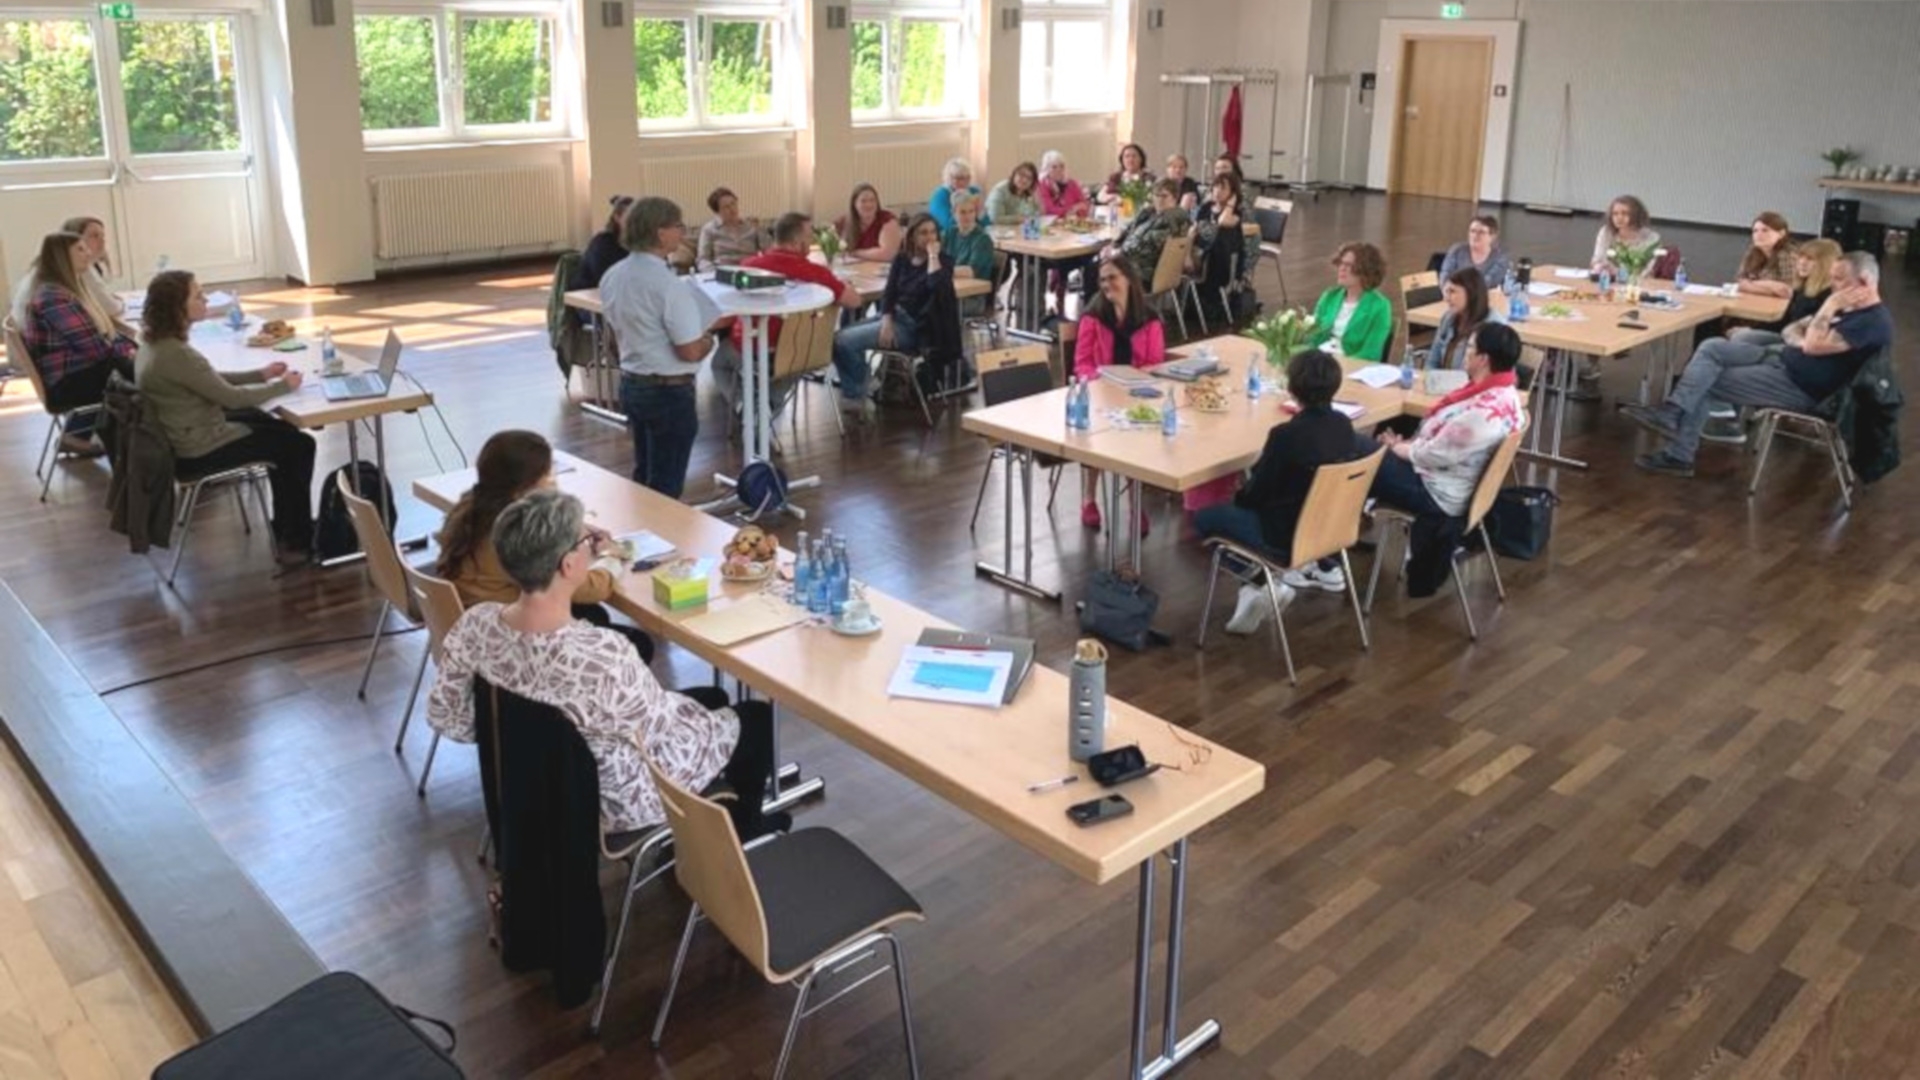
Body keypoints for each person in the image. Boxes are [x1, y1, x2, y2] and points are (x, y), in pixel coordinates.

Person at [425, 489, 784, 839]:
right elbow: (660, 731)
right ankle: (740, 835)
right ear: (569, 564)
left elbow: (448, 718)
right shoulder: (603, 654)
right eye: (585, 543)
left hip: (529, 788)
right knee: (754, 718)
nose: (591, 550)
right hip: (614, 801)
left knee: (710, 698)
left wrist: (525, 745)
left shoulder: (475, 624)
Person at [1626, 252, 1892, 479]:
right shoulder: (1852, 312)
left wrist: (1828, 309)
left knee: (1707, 382)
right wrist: (1807, 336)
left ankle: (1679, 455)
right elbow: (1795, 330)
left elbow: (1812, 345)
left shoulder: (1869, 321)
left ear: (1865, 282)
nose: (1832, 286)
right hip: (1784, 361)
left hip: (1804, 389)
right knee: (1712, 347)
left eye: (1838, 280)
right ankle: (1673, 411)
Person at [133, 270, 315, 564]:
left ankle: (288, 527)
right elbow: (230, 397)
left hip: (186, 435)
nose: (205, 299)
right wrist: (283, 386)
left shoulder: (155, 344)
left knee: (276, 428)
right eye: (198, 295)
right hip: (199, 448)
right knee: (299, 445)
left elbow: (209, 379)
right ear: (177, 306)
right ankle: (295, 539)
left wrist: (260, 374)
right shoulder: (176, 354)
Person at [434, 430, 656, 663]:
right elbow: (591, 588)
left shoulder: (472, 506)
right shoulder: (516, 536)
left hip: (479, 627)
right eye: (548, 475)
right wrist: (611, 557)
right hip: (509, 647)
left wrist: (569, 526)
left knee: (593, 614)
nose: (554, 482)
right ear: (523, 487)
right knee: (636, 644)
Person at [1195, 349, 1357, 634]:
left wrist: (1239, 495)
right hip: (1331, 528)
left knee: (1205, 518)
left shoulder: (1285, 436)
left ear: (1292, 388)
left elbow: (1256, 494)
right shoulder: (1344, 426)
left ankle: (1258, 580)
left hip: (1285, 534)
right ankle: (1253, 590)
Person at [1371, 323, 1529, 592]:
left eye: (1469, 348)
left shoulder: (1482, 413)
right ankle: (1341, 534)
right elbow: (1438, 448)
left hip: (1437, 492)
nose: (1464, 353)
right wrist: (1408, 444)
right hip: (1452, 481)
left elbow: (1433, 455)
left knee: (1358, 457)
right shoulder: (1506, 395)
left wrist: (1399, 448)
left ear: (1483, 359)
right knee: (1362, 455)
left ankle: (1328, 549)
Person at [601, 197, 725, 498]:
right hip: (669, 393)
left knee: (644, 477)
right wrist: (708, 339)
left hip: (632, 384)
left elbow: (612, 337)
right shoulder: (669, 285)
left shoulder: (613, 275)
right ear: (660, 233)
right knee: (666, 489)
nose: (683, 232)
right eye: (678, 226)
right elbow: (690, 351)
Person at [711, 211, 864, 420]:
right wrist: (844, 286)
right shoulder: (816, 273)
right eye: (809, 237)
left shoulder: (748, 267)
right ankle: (767, 405)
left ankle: (746, 406)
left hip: (754, 350)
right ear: (795, 242)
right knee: (792, 360)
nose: (812, 242)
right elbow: (855, 301)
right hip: (802, 352)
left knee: (719, 361)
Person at [16, 231, 136, 455]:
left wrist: (128, 350)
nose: (88, 253)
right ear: (62, 257)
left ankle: (88, 438)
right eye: (80, 249)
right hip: (68, 382)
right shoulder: (53, 297)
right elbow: (96, 348)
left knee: (139, 365)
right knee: (148, 373)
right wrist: (130, 352)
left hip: (72, 374)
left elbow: (101, 340)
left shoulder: (62, 289)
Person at [833, 213, 960, 415]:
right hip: (894, 317)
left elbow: (936, 285)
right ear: (912, 236)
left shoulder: (943, 261)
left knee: (844, 341)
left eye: (933, 233)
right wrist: (886, 319)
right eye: (923, 233)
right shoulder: (902, 259)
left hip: (917, 328)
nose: (929, 238)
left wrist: (933, 256)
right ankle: (866, 383)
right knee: (838, 337)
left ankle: (856, 393)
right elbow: (890, 292)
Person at [1073, 256, 1164, 535]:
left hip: (1136, 393)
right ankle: (1089, 498)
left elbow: (1155, 362)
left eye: (1112, 277)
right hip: (1101, 393)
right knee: (1095, 433)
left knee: (1137, 440)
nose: (1107, 284)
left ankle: (1136, 504)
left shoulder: (1150, 319)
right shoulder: (1093, 317)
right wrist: (1103, 381)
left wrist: (1134, 381)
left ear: (1128, 279)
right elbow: (1082, 363)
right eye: (1102, 280)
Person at [1088, 179, 1189, 302]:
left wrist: (1117, 253)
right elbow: (1128, 231)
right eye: (1156, 195)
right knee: (1095, 264)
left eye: (1164, 196)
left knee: (1093, 269)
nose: (1159, 199)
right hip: (1133, 264)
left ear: (1175, 198)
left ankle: (1102, 316)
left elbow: (1146, 247)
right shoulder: (1150, 214)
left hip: (1143, 273)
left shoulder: (1172, 220)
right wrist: (1114, 245)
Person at [1308, 242, 1393, 361]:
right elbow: (1312, 337)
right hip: (1320, 361)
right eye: (1341, 263)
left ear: (1365, 272)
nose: (1342, 269)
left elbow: (1371, 353)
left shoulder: (1380, 306)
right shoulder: (1329, 296)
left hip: (1351, 367)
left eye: (1349, 265)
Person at [1425, 267, 1505, 371]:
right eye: (1447, 292)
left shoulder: (1492, 326)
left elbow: (1488, 374)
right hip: (1443, 382)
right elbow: (1432, 361)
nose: (1446, 298)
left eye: (1452, 292)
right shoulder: (1448, 318)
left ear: (1471, 293)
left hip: (1473, 385)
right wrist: (1430, 380)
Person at [59, 215, 128, 326]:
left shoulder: (82, 265)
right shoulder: (81, 269)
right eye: (94, 236)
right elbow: (111, 308)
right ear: (75, 241)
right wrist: (122, 303)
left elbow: (104, 292)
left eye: (103, 236)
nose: (102, 241)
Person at [570, 195, 634, 294]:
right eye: (631, 217)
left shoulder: (645, 242)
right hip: (590, 294)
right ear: (617, 218)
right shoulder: (602, 243)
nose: (637, 222)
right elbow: (604, 278)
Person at [695, 187, 767, 272]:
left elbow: (768, 250)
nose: (732, 209)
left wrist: (760, 229)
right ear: (717, 212)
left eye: (733, 204)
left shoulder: (751, 226)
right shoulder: (709, 229)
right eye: (726, 207)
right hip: (723, 271)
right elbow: (703, 259)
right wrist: (713, 273)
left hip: (749, 270)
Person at [1590, 195, 1661, 276]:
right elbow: (1597, 260)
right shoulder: (1606, 232)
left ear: (1636, 215)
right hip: (1610, 280)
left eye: (1625, 213)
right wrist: (1599, 267)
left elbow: (1649, 271)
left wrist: (1622, 274)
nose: (1619, 218)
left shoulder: (1651, 238)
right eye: (1615, 214)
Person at [1437, 215, 1511, 288]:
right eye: (1472, 231)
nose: (1475, 235)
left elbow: (1489, 282)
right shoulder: (1457, 250)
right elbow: (1445, 276)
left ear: (1492, 236)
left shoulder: (1500, 257)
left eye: (1481, 232)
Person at [1735, 212, 1796, 298]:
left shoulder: (1787, 254)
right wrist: (1772, 287)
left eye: (1765, 230)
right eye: (1755, 231)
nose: (1758, 235)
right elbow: (1740, 283)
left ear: (1781, 234)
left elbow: (1788, 291)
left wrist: (1752, 284)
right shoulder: (1753, 251)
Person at [837, 182, 901, 263]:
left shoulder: (887, 220)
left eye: (872, 200)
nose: (869, 205)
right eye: (863, 201)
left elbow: (887, 254)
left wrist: (854, 253)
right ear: (854, 204)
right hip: (856, 269)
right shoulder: (845, 220)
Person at [928, 158, 987, 231]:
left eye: (962, 178)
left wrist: (980, 212)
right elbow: (948, 225)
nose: (956, 181)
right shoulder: (940, 195)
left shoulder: (974, 191)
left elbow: (987, 223)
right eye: (953, 177)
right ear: (948, 177)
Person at [1037, 151, 1089, 218]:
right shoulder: (1042, 185)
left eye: (1062, 166)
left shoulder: (1072, 184)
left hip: (1072, 223)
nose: (1059, 170)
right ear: (1046, 169)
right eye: (1054, 167)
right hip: (1051, 224)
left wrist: (1078, 211)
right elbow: (1048, 210)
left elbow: (1084, 206)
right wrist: (1072, 209)